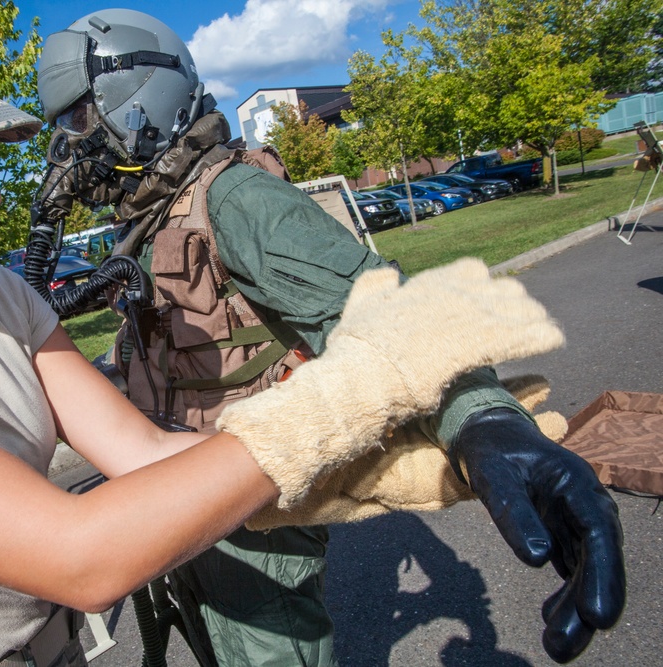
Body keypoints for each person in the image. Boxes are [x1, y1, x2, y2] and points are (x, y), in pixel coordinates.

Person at [32, 8, 626, 666]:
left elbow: (379, 308)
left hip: (254, 516)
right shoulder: (148, 219)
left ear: (140, 97)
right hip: (186, 506)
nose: (70, 147)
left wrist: (484, 422)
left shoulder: (235, 199)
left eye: (80, 120)